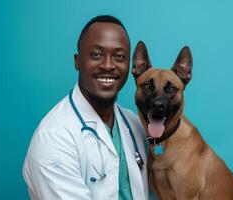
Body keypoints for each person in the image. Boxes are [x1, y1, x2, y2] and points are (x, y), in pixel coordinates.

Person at [23, 15, 149, 200]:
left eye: (119, 57)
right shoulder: (53, 137)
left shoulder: (135, 124)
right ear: (77, 61)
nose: (108, 65)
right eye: (96, 55)